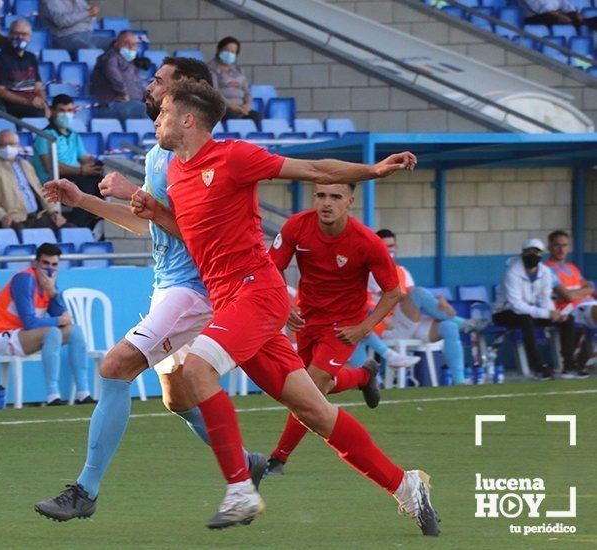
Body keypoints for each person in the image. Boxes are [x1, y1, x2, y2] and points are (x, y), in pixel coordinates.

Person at [129, 82, 437, 533]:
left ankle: (240, 491)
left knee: (197, 370)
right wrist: (156, 214)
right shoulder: (175, 171)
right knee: (315, 412)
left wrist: (372, 170)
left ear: (188, 119)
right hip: (229, 301)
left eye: (164, 111)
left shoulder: (234, 156)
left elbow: (313, 167)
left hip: (257, 291)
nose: (156, 118)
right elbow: (197, 236)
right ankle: (407, 486)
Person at [35, 57, 268, 523]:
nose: (150, 85)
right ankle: (246, 465)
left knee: (115, 366)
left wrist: (131, 196)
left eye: (160, 80)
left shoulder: (201, 159)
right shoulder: (159, 153)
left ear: (187, 91)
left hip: (194, 289)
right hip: (168, 285)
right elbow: (146, 224)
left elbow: (199, 233)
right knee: (177, 398)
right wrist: (83, 200)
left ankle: (85, 490)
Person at [263, 185, 425, 478]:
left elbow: (393, 292)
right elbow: (272, 268)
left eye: (336, 197)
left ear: (350, 202)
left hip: (343, 327)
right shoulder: (297, 227)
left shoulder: (367, 241)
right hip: (307, 319)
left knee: (309, 390)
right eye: (321, 195)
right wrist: (285, 306)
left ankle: (278, 458)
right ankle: (364, 376)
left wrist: (363, 329)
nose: (327, 203)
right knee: (311, 388)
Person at [0, 243, 91, 405]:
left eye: (54, 265)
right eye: (45, 263)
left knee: (75, 331)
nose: (49, 269)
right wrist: (58, 320)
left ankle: (84, 393)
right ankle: (52, 395)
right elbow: (30, 322)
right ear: (35, 263)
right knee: (52, 332)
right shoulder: (24, 280)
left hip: (22, 336)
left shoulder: (49, 283)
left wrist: (53, 292)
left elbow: (62, 318)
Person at [371, 229, 478, 386]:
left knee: (448, 326)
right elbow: (367, 301)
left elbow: (413, 300)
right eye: (384, 246)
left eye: (391, 246)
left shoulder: (402, 271)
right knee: (418, 293)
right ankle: (462, 323)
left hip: (410, 322)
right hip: (389, 324)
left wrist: (440, 303)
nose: (389, 250)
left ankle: (459, 380)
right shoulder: (369, 272)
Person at [493, 238, 577, 380]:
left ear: (541, 255)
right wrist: (546, 313)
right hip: (504, 313)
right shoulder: (512, 272)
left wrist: (554, 314)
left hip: (530, 312)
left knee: (568, 320)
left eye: (536, 252)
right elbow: (516, 306)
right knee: (526, 320)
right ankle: (537, 366)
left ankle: (569, 365)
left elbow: (545, 298)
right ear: (523, 253)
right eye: (528, 252)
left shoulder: (545, 272)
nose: (532, 255)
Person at [0, 130, 67, 230]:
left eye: (11, 144)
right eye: (3, 145)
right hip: (14, 220)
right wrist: (2, 216)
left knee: (68, 229)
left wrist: (54, 211)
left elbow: (41, 191)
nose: (7, 148)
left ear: (18, 145)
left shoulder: (26, 165)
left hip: (38, 216)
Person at [34, 94, 102, 227]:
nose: (66, 114)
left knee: (102, 180)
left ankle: (94, 222)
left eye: (69, 111)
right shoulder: (44, 136)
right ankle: (75, 224)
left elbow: (84, 160)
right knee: (87, 182)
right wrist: (82, 170)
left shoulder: (74, 135)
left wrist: (93, 166)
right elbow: (50, 166)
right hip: (53, 179)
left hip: (74, 176)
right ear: (53, 111)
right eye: (62, 111)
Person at [545, 230, 594, 377]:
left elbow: (590, 287)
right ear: (550, 247)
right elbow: (567, 297)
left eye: (564, 245)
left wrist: (579, 292)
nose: (561, 249)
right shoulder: (547, 269)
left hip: (586, 304)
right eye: (557, 245)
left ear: (569, 247)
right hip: (569, 309)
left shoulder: (572, 268)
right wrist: (583, 291)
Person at [0, 18, 49, 118]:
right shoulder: (0, 58)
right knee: (37, 113)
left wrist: (42, 100)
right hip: (9, 105)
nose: (20, 37)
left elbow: (38, 87)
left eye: (24, 34)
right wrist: (28, 101)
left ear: (30, 37)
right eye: (16, 33)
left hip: (30, 103)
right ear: (9, 35)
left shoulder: (31, 58)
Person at [89, 31, 146, 122]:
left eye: (134, 44)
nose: (131, 47)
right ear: (116, 44)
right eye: (127, 44)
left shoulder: (132, 62)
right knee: (145, 110)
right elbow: (115, 77)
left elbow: (138, 85)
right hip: (110, 106)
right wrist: (124, 94)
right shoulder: (109, 58)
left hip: (133, 104)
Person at [208, 36, 260, 127]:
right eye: (227, 50)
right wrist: (232, 107)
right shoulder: (211, 69)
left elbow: (247, 92)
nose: (229, 54)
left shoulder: (238, 70)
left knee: (257, 117)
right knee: (233, 118)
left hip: (241, 108)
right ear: (219, 49)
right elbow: (214, 93)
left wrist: (247, 105)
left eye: (233, 52)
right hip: (223, 109)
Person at [39, 0, 108, 52]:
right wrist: (87, 13)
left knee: (115, 43)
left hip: (87, 35)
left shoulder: (79, 1)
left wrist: (84, 15)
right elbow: (61, 22)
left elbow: (92, 18)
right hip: (64, 38)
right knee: (89, 49)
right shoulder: (50, 1)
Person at [519, 0, 597, 31]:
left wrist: (575, 13)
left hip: (554, 14)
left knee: (575, 16)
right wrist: (559, 15)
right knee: (552, 17)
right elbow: (540, 8)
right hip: (534, 18)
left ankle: (584, 22)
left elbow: (563, 3)